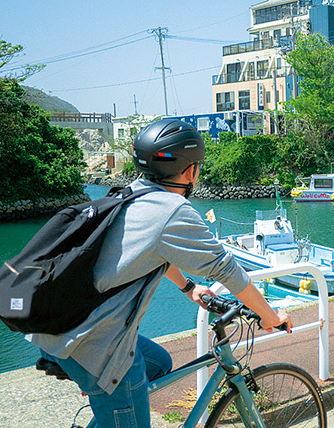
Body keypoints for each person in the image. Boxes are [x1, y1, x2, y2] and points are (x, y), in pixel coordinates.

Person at [30, 118, 291, 427]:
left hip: (61, 323)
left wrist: (188, 288)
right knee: (125, 392)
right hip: (95, 344)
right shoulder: (171, 210)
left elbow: (151, 254)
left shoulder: (127, 195)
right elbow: (228, 270)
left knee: (159, 363)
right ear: (192, 171)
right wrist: (270, 316)